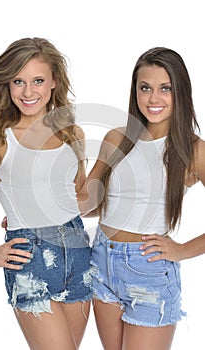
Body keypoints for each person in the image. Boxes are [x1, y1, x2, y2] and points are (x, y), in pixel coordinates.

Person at [0, 37, 92, 350]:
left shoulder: (72, 132)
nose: (28, 92)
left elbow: (80, 201)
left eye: (38, 80)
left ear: (53, 82)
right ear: (6, 84)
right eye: (18, 81)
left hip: (79, 253)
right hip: (30, 259)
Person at [80, 47, 205, 350]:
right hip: (101, 261)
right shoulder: (115, 139)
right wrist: (35, 216)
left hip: (147, 268)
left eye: (166, 89)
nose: (153, 99)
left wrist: (182, 250)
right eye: (145, 88)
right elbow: (88, 205)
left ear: (181, 92)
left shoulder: (193, 150)